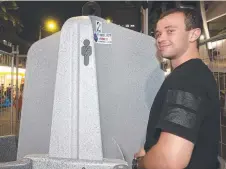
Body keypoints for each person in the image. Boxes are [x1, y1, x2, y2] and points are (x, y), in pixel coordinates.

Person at [133, 8, 220, 169]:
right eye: (158, 34)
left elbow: (169, 161)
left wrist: (141, 163)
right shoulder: (194, 73)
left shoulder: (187, 78)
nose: (160, 38)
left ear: (193, 34)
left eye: (170, 31)